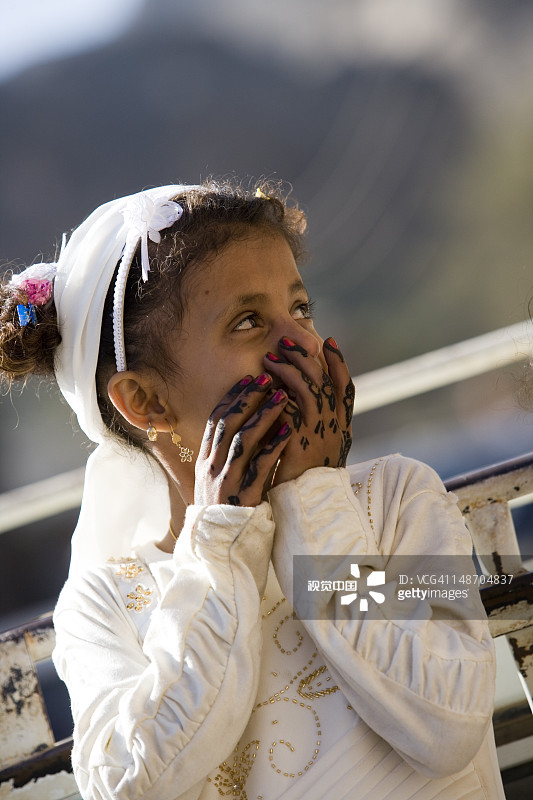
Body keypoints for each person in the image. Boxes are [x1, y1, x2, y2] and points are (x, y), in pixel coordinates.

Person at [0, 180, 505, 799]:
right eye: (248, 322)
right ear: (146, 401)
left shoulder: (399, 499)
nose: (301, 346)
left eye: (301, 309)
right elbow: (131, 786)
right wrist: (222, 543)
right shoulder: (104, 607)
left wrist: (314, 500)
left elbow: (447, 726)